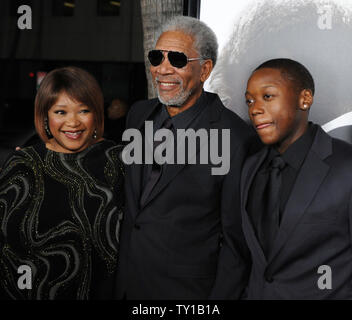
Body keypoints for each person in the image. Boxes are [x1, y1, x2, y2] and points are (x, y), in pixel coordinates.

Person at [115, 16, 256, 300]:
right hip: (128, 286)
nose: (162, 69)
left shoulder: (236, 138)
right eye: (157, 57)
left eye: (177, 59)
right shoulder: (138, 115)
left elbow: (236, 244)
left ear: (204, 70)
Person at [0, 66, 124, 300]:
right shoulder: (23, 164)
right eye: (60, 112)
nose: (73, 123)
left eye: (84, 110)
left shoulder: (117, 160)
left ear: (97, 114)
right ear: (45, 116)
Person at [242, 58, 352, 299]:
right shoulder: (250, 168)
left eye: (267, 96)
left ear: (305, 99)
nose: (254, 108)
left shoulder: (346, 165)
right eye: (249, 100)